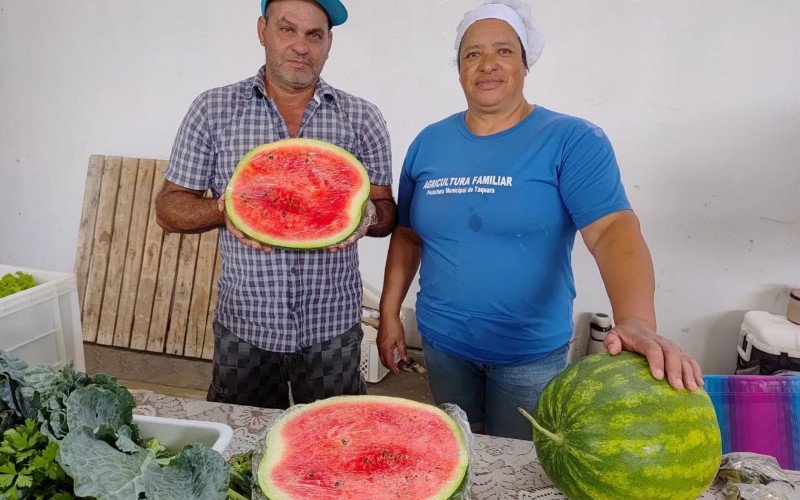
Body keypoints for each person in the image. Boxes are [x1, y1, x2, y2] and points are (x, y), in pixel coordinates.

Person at [377, 0, 703, 440]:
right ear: (458, 69)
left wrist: (637, 320)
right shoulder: (429, 142)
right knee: (464, 449)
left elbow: (610, 231)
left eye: (504, 51)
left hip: (528, 354)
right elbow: (408, 235)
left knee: (521, 462)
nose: (487, 64)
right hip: (442, 344)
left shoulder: (571, 139)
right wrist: (390, 312)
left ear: (526, 62)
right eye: (472, 53)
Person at [156, 0, 396, 409]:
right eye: (287, 30)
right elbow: (168, 209)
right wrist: (223, 209)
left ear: (328, 43)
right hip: (246, 328)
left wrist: (371, 216)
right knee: (240, 446)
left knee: (330, 446)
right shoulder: (213, 110)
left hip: (332, 327)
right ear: (262, 30)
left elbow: (386, 210)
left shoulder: (362, 117)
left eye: (314, 35)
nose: (300, 46)